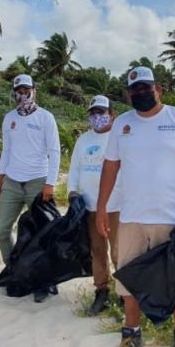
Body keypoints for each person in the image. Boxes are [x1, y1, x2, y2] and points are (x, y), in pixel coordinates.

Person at [97, 66, 175, 347]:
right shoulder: (122, 123)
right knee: (130, 279)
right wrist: (103, 207)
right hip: (131, 216)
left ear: (158, 89)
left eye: (146, 88)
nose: (141, 93)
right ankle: (131, 333)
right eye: (135, 90)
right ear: (129, 94)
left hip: (171, 217)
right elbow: (110, 167)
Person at [0, 73, 61, 303]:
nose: (22, 94)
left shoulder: (46, 118)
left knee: (41, 235)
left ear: (34, 90)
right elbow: (6, 150)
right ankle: (14, 270)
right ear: (14, 92)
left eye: (26, 90)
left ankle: (43, 279)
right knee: (1, 231)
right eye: (18, 91)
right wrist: (0, 178)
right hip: (12, 181)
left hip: (37, 182)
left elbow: (54, 151)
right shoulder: (9, 118)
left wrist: (50, 183)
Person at [67, 95, 122, 315]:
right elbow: (74, 168)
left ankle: (124, 292)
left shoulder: (118, 139)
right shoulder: (83, 140)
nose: (97, 117)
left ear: (112, 115)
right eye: (94, 113)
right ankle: (102, 291)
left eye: (102, 112)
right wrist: (72, 191)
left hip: (115, 206)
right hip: (89, 206)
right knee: (97, 251)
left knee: (119, 252)